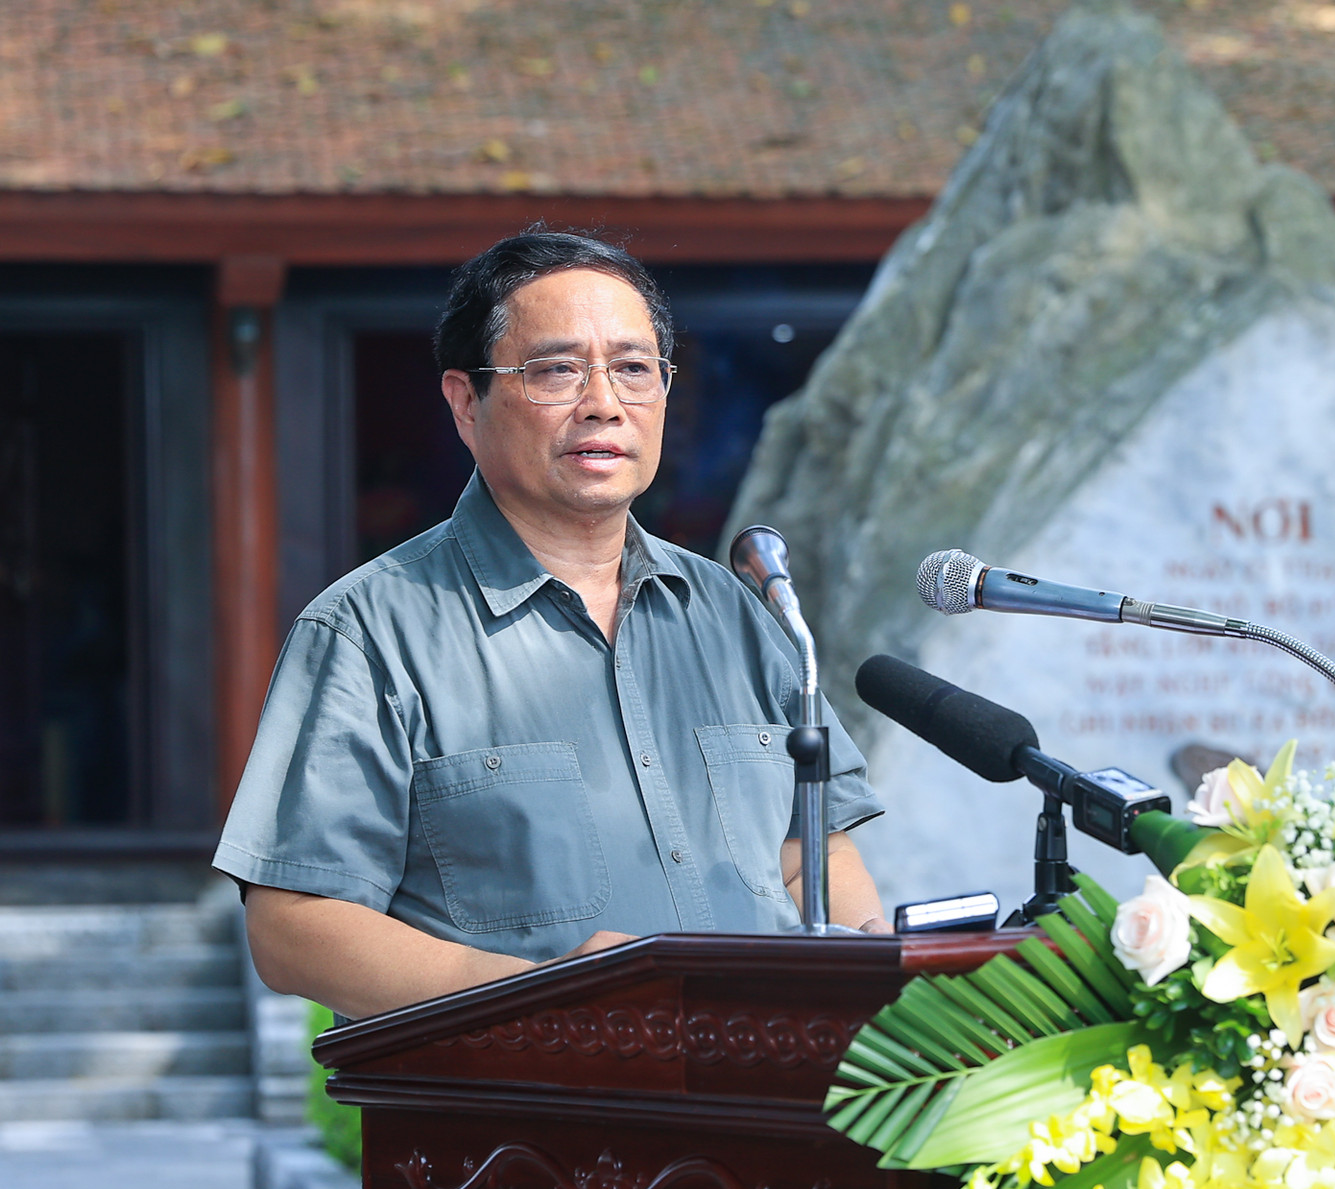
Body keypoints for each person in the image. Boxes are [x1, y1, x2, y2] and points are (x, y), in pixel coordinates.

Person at [215, 230, 889, 1022]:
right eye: (558, 370)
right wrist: (538, 991)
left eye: (635, 369)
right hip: (525, 1125)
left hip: (765, 1092)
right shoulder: (366, 632)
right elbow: (292, 928)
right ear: (467, 403)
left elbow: (812, 852)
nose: (604, 401)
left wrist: (865, 945)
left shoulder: (741, 613)